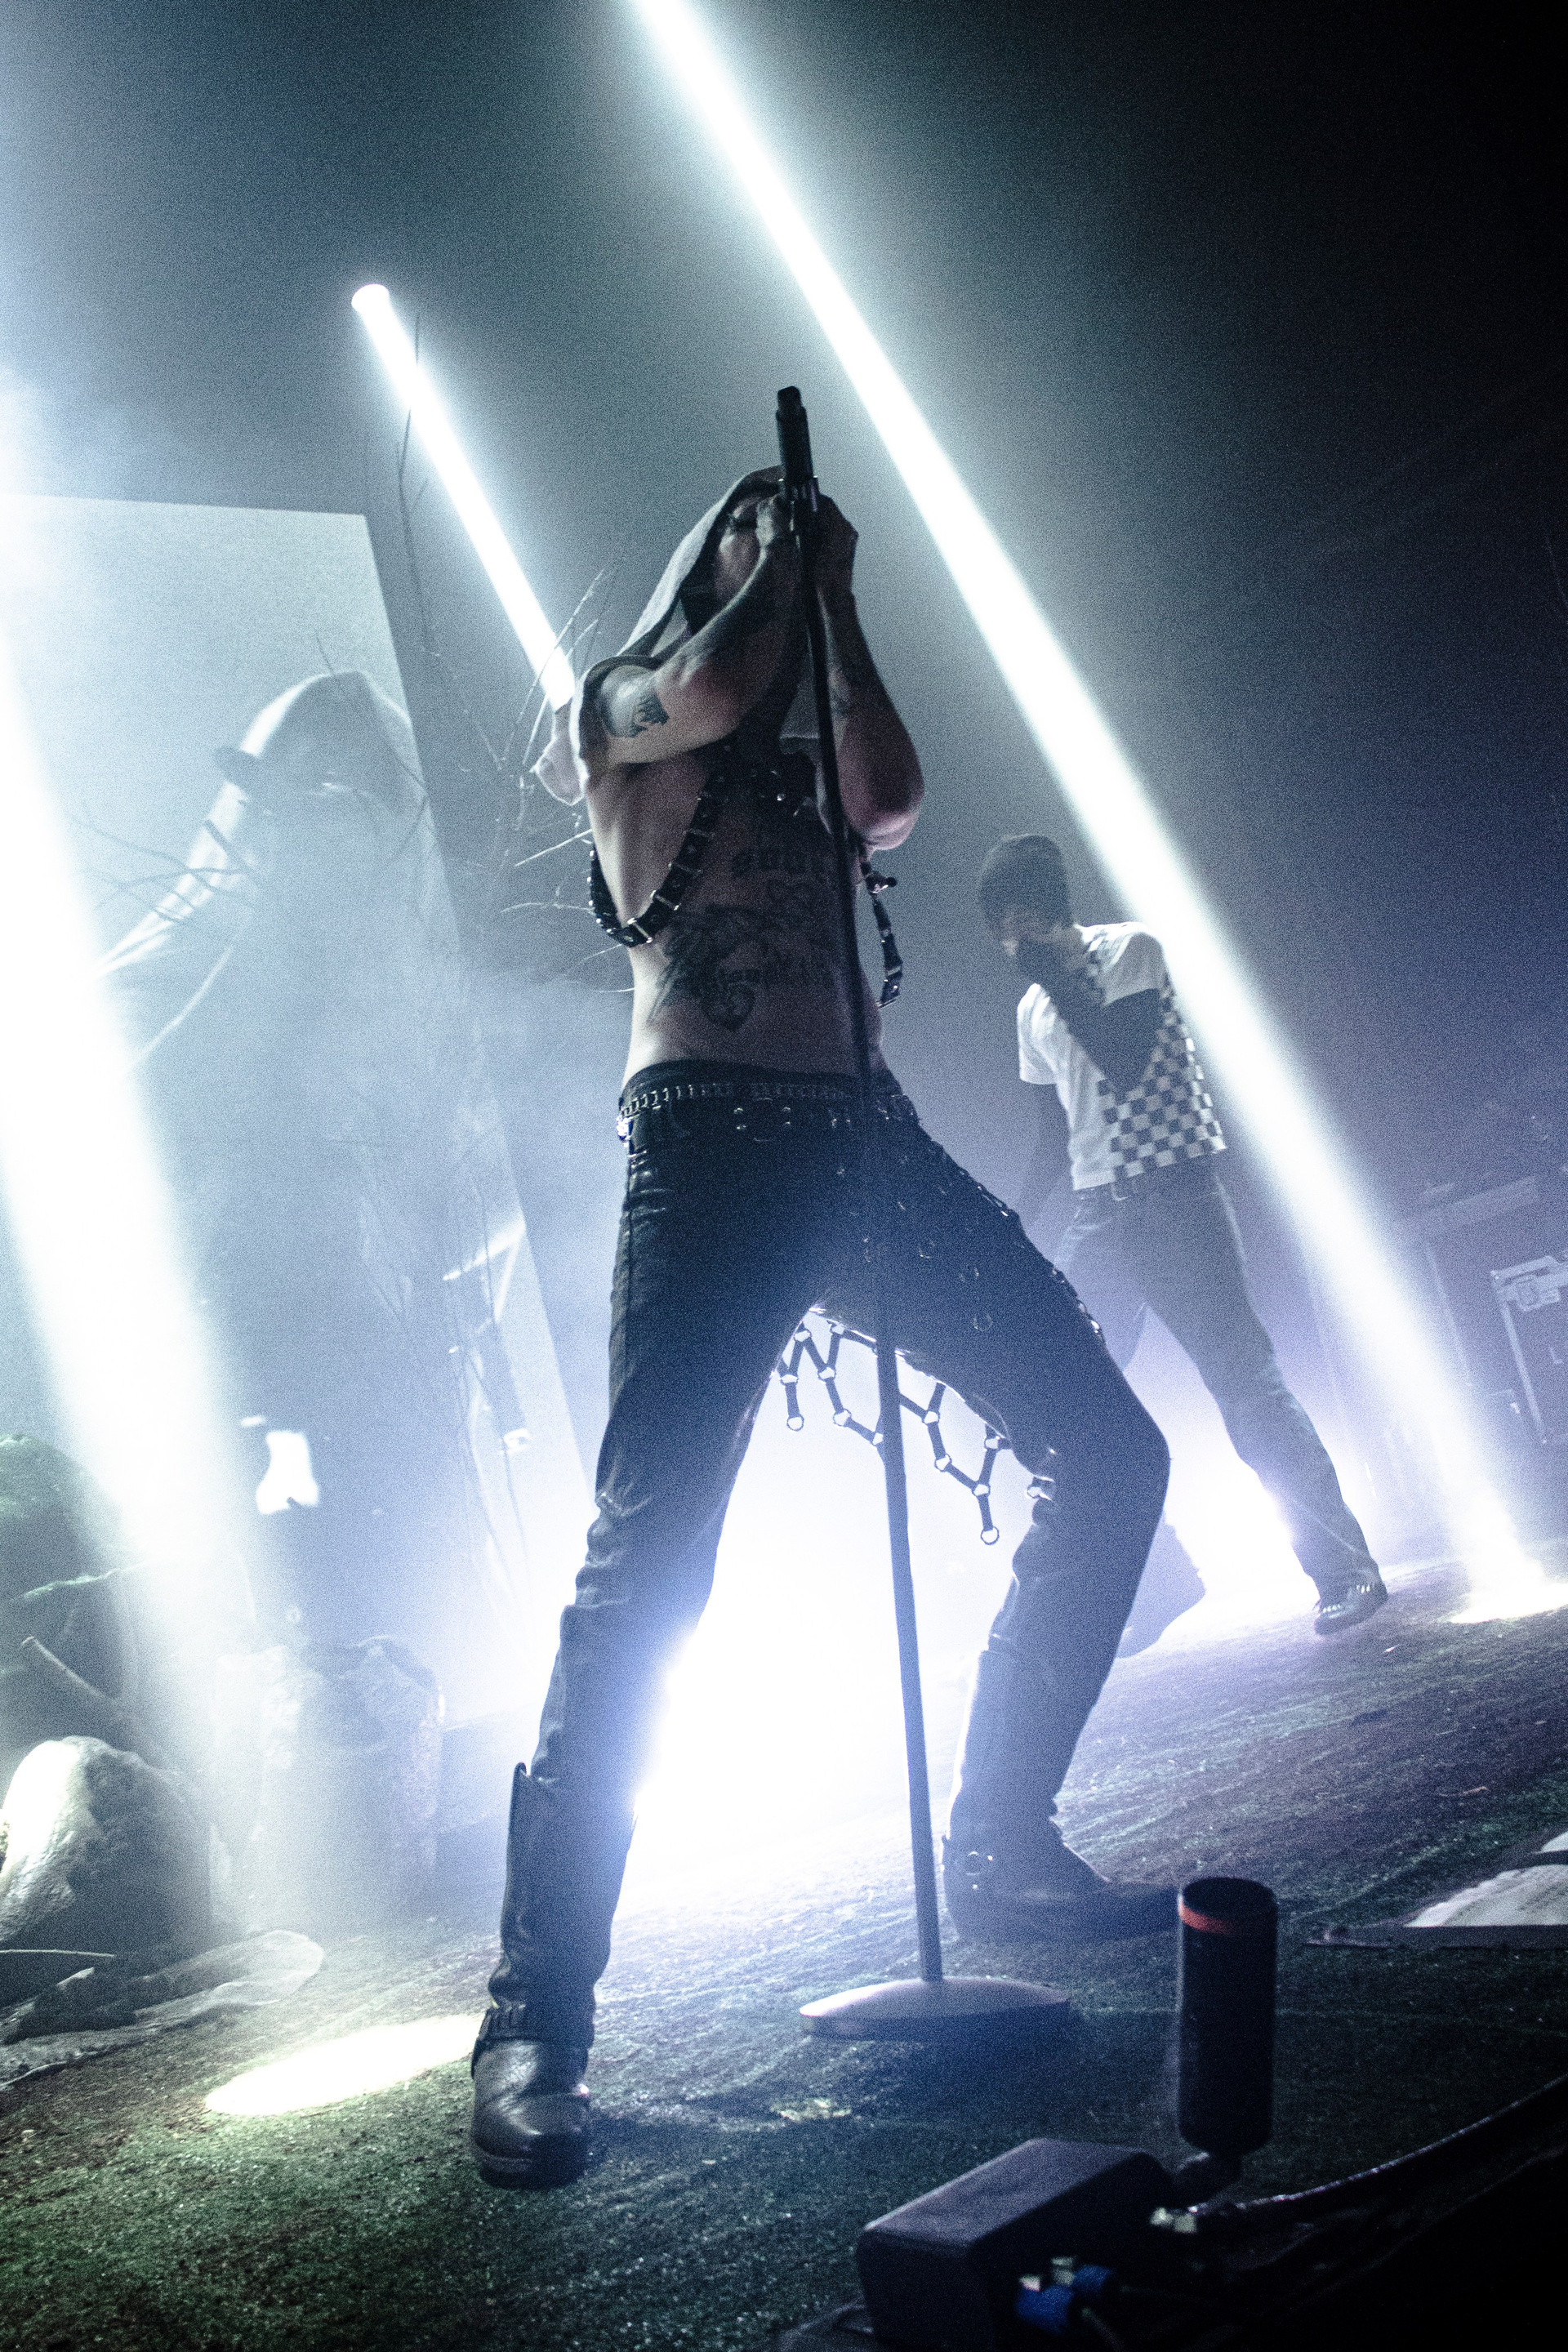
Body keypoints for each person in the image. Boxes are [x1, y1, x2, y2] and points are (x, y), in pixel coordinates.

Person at [470, 475, 1172, 2190]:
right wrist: (773, 562)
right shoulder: (625, 705)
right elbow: (711, 681)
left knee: (1113, 1450)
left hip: (866, 1145)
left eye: (789, 527)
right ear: (696, 562)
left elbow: (893, 797)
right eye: (744, 524)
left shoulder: (809, 743)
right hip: (709, 1142)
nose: (781, 536)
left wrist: (839, 600)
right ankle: (532, 2019)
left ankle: (1001, 1838)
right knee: (647, 1569)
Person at [979, 832, 1387, 1646]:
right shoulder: (1030, 1008)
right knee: (1056, 1388)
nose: (1001, 939)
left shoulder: (1129, 951)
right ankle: (1162, 1578)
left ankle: (1346, 1571)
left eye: (1004, 919)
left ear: (1026, 911)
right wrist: (1014, 1217)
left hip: (1177, 1197)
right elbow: (1053, 1130)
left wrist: (1055, 976)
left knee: (1245, 1386)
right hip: (1098, 1214)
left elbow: (1124, 1060)